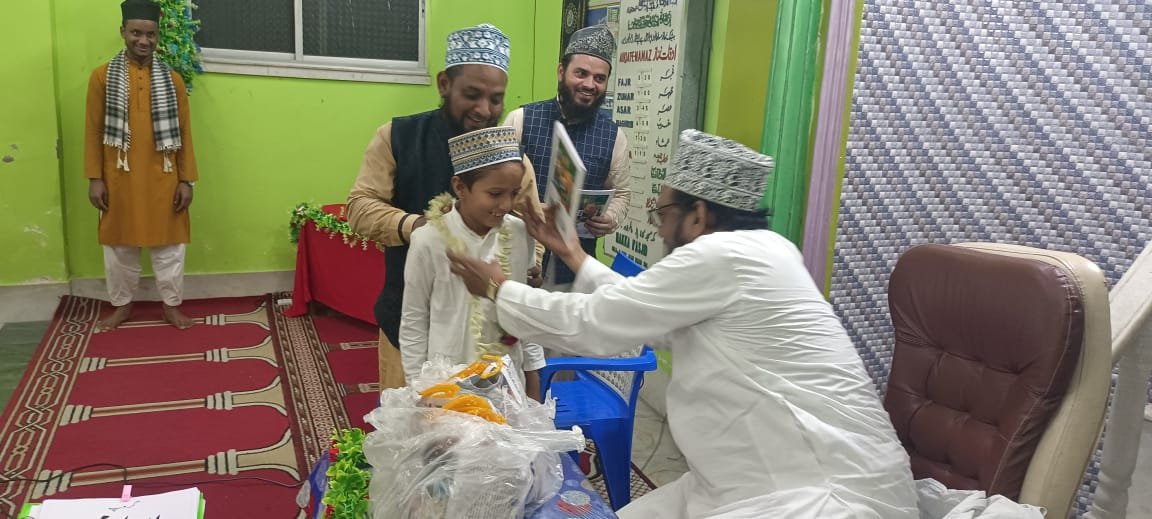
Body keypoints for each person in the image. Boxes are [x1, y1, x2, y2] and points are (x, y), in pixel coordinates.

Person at [448, 130, 918, 518]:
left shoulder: (722, 256)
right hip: (747, 480)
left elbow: (596, 323)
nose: (657, 227)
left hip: (820, 494)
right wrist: (573, 254)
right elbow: (641, 310)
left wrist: (498, 289)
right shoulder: (765, 251)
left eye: (664, 213)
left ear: (698, 215)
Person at [346, 24, 544, 389]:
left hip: (493, 337)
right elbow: (359, 207)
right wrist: (419, 228)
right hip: (409, 323)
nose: (484, 109)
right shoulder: (397, 137)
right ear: (443, 84)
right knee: (417, 417)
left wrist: (532, 263)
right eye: (472, 94)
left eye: (496, 99)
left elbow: (532, 223)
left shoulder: (513, 158)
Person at [399, 126, 545, 400]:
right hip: (446, 380)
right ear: (460, 187)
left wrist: (533, 373)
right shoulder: (429, 240)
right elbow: (414, 319)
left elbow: (524, 308)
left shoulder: (519, 232)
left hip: (507, 377)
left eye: (514, 193)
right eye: (495, 193)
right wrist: (419, 389)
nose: (506, 204)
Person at [85, 0, 199, 331]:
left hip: (164, 176)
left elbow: (185, 133)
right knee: (119, 247)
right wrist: (95, 178)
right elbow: (93, 130)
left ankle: (171, 306)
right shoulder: (102, 77)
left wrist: (186, 180)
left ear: (158, 36)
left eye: (150, 34)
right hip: (118, 176)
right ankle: (121, 306)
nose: (143, 41)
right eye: (136, 33)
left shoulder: (173, 81)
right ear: (123, 32)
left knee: (170, 248)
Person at [504, 24, 630, 290]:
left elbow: (621, 194)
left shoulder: (614, 136)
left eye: (599, 78)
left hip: (575, 274)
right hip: (520, 261)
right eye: (581, 73)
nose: (589, 85)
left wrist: (610, 219)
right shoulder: (521, 120)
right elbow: (495, 183)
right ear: (561, 72)